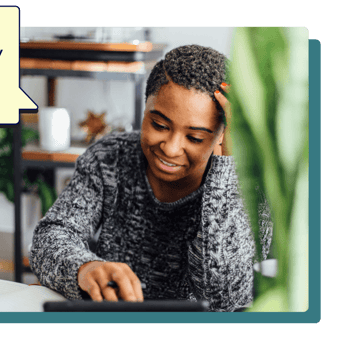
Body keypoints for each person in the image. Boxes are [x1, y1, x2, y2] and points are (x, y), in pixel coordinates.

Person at [29, 44, 273, 312]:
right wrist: (86, 268)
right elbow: (51, 236)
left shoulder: (251, 187)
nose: (170, 148)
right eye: (159, 125)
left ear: (222, 135)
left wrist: (226, 171)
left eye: (195, 138)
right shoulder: (111, 157)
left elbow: (224, 297)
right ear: (145, 107)